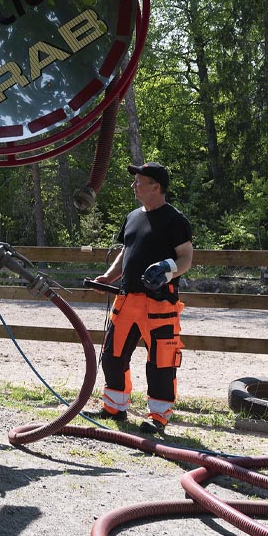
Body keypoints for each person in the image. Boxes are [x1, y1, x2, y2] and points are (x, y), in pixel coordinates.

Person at [89, 161, 194, 435]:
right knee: (112, 356)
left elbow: (186, 258)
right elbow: (126, 252)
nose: (134, 185)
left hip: (159, 305)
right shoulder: (133, 217)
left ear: (156, 186)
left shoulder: (175, 220)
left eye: (139, 181)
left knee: (161, 362)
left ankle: (158, 417)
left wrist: (168, 271)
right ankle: (114, 406)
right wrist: (108, 277)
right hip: (126, 302)